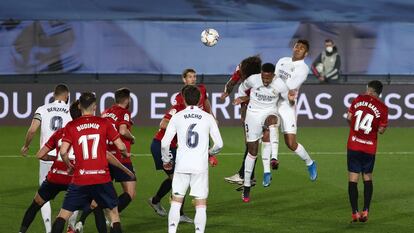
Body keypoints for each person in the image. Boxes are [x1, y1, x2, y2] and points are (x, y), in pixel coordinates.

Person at [19, 100, 134, 233]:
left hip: (55, 177)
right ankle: (77, 225)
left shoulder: (62, 131)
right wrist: (125, 169)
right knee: (97, 207)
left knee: (38, 204)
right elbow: (106, 155)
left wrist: (56, 158)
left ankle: (22, 231)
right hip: (75, 178)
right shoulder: (86, 131)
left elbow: (41, 155)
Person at [50, 92, 128, 233]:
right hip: (102, 177)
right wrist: (123, 153)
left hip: (80, 178)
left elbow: (63, 152)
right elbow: (121, 146)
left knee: (63, 215)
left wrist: (69, 165)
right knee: (114, 215)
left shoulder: (71, 126)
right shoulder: (104, 123)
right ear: (95, 106)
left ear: (79, 106)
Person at [147, 68, 213, 223]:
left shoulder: (201, 93)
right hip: (163, 145)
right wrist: (180, 126)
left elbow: (206, 103)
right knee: (179, 179)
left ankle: (156, 201)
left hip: (171, 146)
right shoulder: (179, 106)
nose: (193, 79)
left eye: (194, 76)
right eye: (190, 77)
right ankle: (178, 213)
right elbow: (163, 123)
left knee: (176, 178)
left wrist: (210, 116)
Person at [161, 85, 223, 233]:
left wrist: (166, 160)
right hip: (200, 166)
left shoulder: (177, 116)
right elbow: (219, 144)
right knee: (200, 204)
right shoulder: (208, 117)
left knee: (176, 201)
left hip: (182, 165)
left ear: (183, 99)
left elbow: (164, 143)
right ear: (200, 98)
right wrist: (209, 152)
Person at [234, 63, 289, 202]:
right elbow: (242, 87)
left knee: (272, 122)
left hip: (270, 111)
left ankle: (274, 158)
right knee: (252, 151)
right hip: (253, 115)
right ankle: (246, 185)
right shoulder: (253, 79)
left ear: (273, 75)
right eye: (263, 78)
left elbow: (287, 99)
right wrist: (242, 99)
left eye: (268, 78)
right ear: (261, 74)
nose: (265, 81)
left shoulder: (280, 84)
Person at [20, 84, 72, 233]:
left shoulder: (42, 109)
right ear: (66, 95)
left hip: (46, 157)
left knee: (42, 197)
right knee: (74, 193)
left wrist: (26, 146)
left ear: (53, 95)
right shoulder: (71, 111)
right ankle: (71, 227)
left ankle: (49, 230)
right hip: (65, 159)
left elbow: (32, 130)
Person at [272, 39, 318, 182]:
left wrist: (276, 86)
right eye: (297, 46)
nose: (298, 49)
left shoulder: (303, 68)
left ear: (306, 53)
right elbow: (273, 78)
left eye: (302, 48)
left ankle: (310, 162)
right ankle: (270, 163)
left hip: (287, 106)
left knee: (291, 143)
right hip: (272, 103)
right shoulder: (282, 60)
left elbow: (290, 86)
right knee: (268, 129)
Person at [346, 80, 388, 222]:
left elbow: (349, 117)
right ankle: (366, 211)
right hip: (369, 147)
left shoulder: (358, 99)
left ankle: (354, 213)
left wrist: (355, 129)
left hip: (354, 145)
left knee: (353, 178)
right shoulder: (383, 108)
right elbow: (381, 130)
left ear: (369, 91)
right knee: (367, 177)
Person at [221, 56, 262, 186]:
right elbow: (232, 82)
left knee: (251, 142)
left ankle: (243, 175)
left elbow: (262, 95)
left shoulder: (259, 78)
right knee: (251, 141)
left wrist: (243, 99)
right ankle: (249, 175)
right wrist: (227, 92)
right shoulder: (242, 69)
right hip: (250, 108)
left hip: (257, 110)